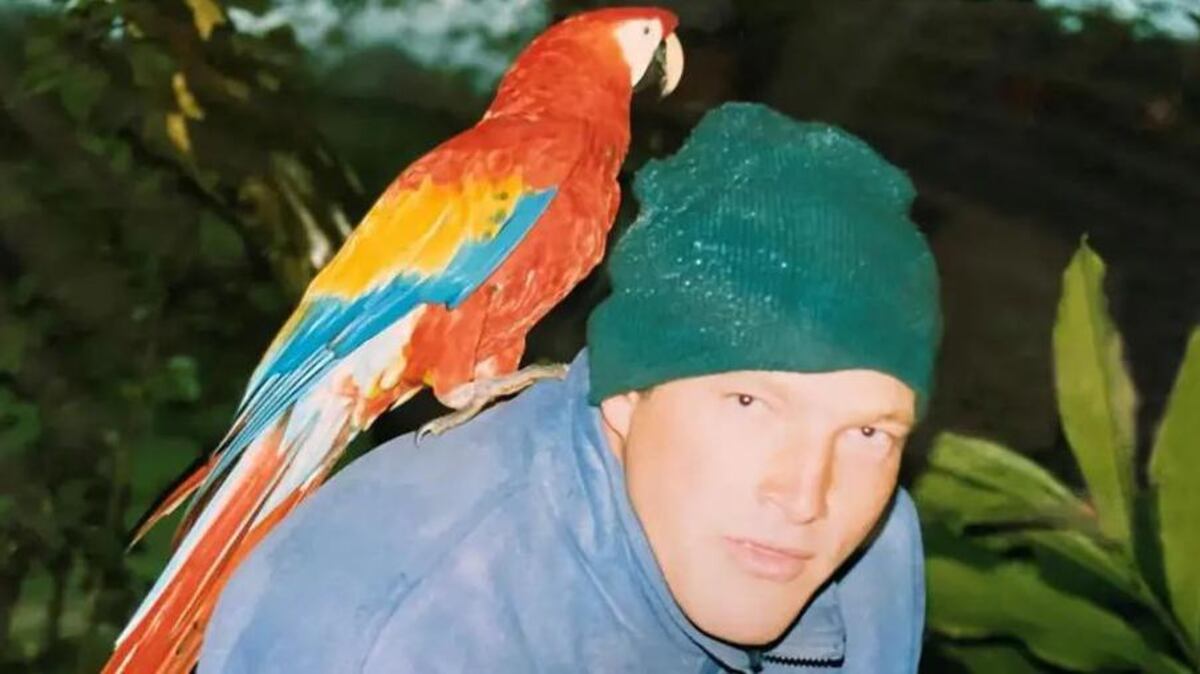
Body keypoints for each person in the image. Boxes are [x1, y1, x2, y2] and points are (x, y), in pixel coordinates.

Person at [198, 102, 942, 674]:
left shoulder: (871, 551)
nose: (805, 497)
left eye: (868, 432)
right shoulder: (397, 632)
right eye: (749, 404)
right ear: (625, 392)